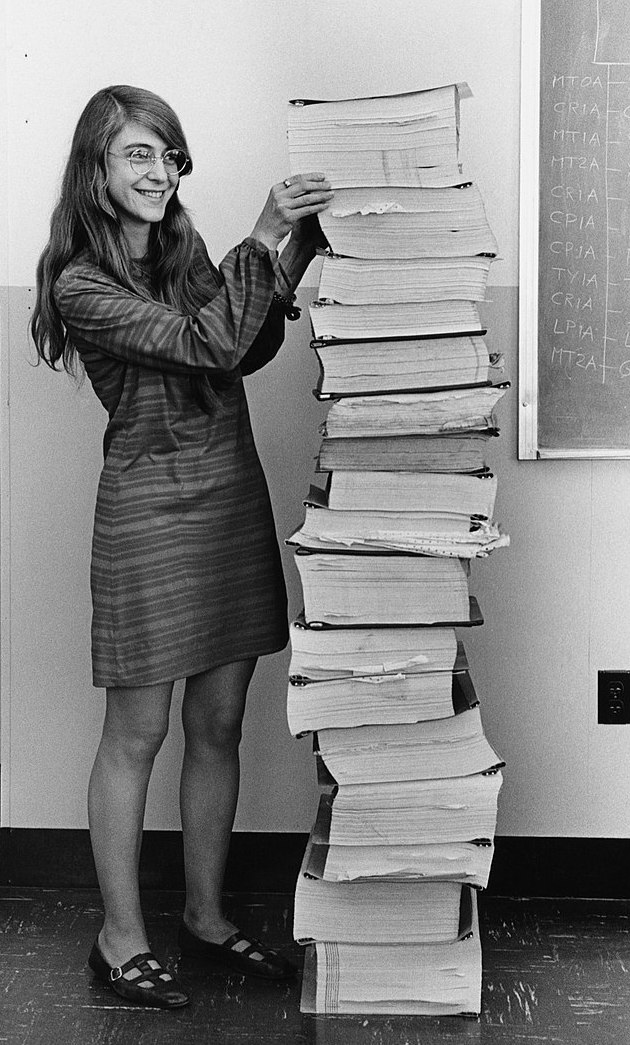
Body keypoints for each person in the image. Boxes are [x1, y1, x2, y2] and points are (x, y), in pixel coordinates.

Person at [31, 84, 333, 1010]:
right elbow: (205, 341)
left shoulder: (180, 246)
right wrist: (262, 230)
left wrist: (303, 241)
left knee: (217, 722)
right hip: (148, 511)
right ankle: (118, 939)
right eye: (137, 155)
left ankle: (203, 915)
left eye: (167, 155)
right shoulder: (80, 282)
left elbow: (238, 348)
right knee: (139, 731)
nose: (159, 172)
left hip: (225, 495)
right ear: (96, 165)